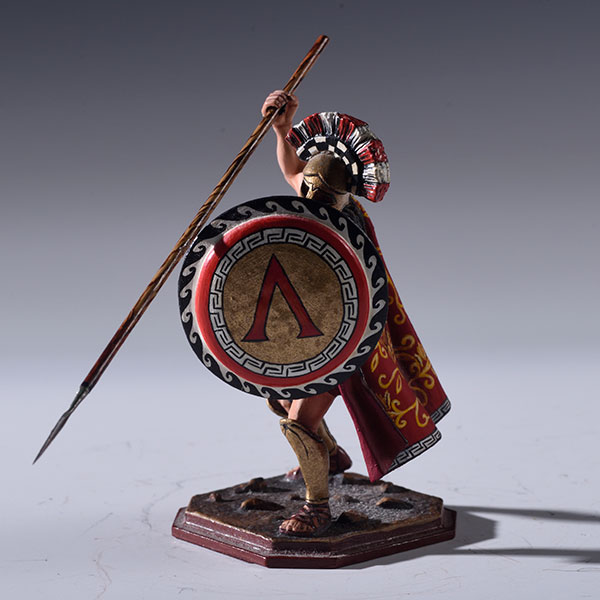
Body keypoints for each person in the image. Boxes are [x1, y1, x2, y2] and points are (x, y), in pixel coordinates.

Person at [261, 91, 451, 537]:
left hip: (344, 343)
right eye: (309, 188)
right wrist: (282, 130)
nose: (309, 195)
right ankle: (331, 456)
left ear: (340, 193)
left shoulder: (346, 229)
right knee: (277, 395)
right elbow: (291, 171)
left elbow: (346, 299)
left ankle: (316, 508)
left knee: (298, 422)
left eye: (319, 192)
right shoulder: (319, 200)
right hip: (310, 336)